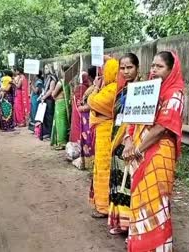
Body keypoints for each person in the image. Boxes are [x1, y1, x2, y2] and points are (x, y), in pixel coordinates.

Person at [124, 51, 185, 252]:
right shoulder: (146, 90)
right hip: (138, 152)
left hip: (159, 155)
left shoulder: (175, 94)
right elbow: (132, 119)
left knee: (156, 203)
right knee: (139, 200)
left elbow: (161, 129)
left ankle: (157, 247)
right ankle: (139, 244)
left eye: (159, 67)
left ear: (171, 70)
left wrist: (137, 149)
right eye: (152, 66)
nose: (153, 70)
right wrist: (128, 141)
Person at [108, 53, 142, 236]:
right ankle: (120, 222)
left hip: (132, 142)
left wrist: (130, 139)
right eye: (123, 68)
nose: (126, 71)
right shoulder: (122, 91)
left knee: (130, 183)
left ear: (137, 68)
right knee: (117, 181)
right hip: (117, 141)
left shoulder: (143, 89)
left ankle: (132, 226)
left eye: (130, 67)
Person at [88, 58, 119, 218]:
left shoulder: (112, 89)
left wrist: (95, 87)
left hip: (107, 133)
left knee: (104, 168)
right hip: (105, 131)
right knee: (102, 167)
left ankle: (103, 206)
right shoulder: (112, 87)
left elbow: (92, 102)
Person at [72, 66, 97, 170]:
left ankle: (89, 160)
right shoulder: (90, 88)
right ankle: (88, 160)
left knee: (89, 138)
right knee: (87, 138)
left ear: (90, 77)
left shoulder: (94, 88)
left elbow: (92, 104)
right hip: (86, 117)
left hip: (88, 116)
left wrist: (82, 107)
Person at [51, 65, 71, 150]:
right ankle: (65, 140)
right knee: (65, 122)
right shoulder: (70, 81)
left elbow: (54, 94)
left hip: (60, 103)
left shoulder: (61, 82)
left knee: (60, 123)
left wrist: (52, 92)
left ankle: (61, 142)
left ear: (63, 71)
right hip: (67, 105)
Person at [38, 64, 57, 140]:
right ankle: (46, 133)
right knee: (45, 116)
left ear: (50, 69)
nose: (45, 70)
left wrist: (44, 97)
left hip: (50, 100)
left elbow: (51, 90)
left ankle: (50, 133)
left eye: (46, 68)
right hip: (46, 99)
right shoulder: (47, 78)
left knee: (49, 117)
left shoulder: (52, 78)